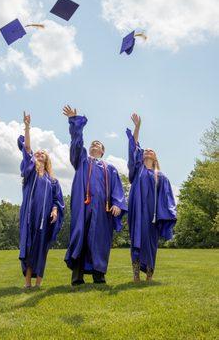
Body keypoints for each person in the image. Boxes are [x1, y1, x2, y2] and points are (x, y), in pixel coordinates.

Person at [63, 105, 127, 285]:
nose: (94, 145)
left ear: (102, 151)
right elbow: (76, 143)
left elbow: (117, 189)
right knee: (80, 238)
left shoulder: (110, 168)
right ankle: (77, 277)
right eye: (92, 143)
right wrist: (75, 121)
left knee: (99, 241)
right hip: (82, 208)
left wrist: (117, 204)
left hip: (102, 210)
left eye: (97, 144)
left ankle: (99, 276)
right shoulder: (81, 161)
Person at [127, 113, 177, 282]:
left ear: (155, 157)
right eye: (145, 150)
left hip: (152, 215)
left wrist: (168, 213)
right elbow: (133, 147)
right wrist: (137, 127)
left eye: (151, 150)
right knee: (136, 241)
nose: (147, 151)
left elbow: (167, 197)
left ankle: (149, 275)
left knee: (150, 244)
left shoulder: (160, 176)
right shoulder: (137, 169)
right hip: (137, 212)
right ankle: (135, 275)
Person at [18, 112, 64, 288]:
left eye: (43, 153)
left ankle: (38, 283)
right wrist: (27, 128)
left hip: (44, 218)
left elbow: (57, 200)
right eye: (38, 153)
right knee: (29, 247)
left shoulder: (53, 181)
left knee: (41, 248)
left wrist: (54, 210)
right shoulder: (30, 173)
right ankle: (28, 282)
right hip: (30, 214)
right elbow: (27, 149)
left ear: (47, 159)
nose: (39, 154)